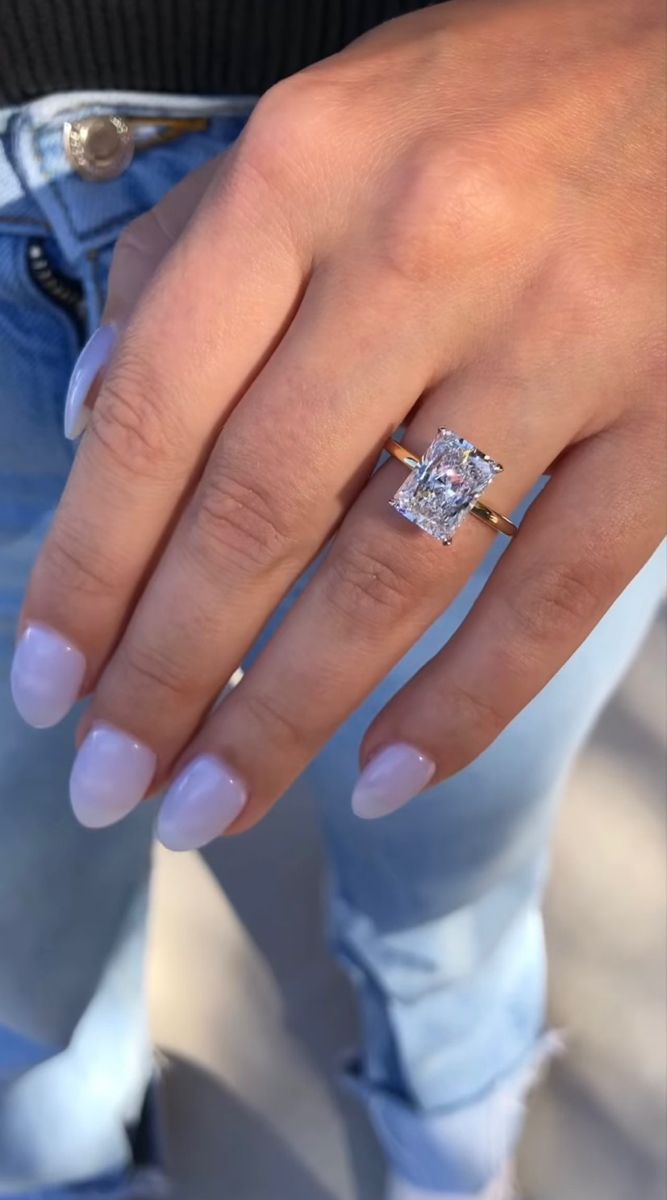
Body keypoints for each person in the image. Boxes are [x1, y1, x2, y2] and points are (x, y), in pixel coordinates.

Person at [1, 0, 665, 1196]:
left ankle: (453, 1129)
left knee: (448, 861)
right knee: (19, 914)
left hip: (524, 212)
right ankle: (64, 1154)